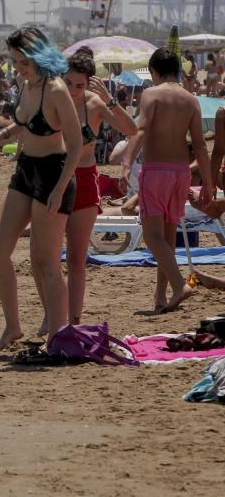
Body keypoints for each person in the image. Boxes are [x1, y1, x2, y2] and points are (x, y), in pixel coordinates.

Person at [0, 27, 83, 352]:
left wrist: (59, 189)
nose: (18, 69)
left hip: (54, 173)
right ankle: (13, 325)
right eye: (15, 62)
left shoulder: (56, 90)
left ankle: (58, 334)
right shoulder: (25, 84)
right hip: (25, 169)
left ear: (39, 56)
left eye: (23, 62)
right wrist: (2, 136)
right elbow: (24, 123)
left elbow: (77, 144)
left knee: (45, 262)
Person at [120, 47, 213, 313]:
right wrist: (206, 181)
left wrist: (127, 163)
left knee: (152, 236)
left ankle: (179, 283)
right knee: (168, 237)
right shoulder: (191, 99)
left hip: (156, 172)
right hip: (181, 173)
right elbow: (200, 146)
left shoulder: (151, 94)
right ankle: (161, 297)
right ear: (178, 71)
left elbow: (141, 128)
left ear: (154, 72)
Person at [58, 47, 137, 329]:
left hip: (84, 178)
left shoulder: (94, 104)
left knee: (77, 257)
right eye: (68, 83)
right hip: (55, 178)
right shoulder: (53, 100)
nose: (73, 90)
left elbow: (131, 129)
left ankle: (74, 319)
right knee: (49, 256)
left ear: (90, 82)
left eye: (79, 85)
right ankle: (53, 315)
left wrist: (111, 100)